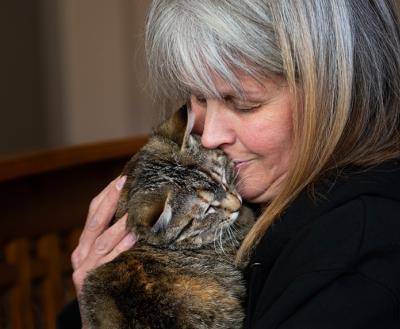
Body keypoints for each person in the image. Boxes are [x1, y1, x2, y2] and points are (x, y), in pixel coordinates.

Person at [58, 0, 400, 328]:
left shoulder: (358, 258)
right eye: (199, 96)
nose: (209, 137)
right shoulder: (246, 181)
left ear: (336, 88)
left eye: (244, 104)